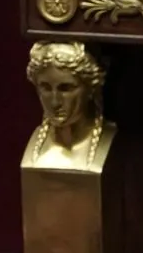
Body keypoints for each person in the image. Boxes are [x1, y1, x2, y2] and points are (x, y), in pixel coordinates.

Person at [23, 41, 114, 171]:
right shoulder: (36, 148)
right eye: (46, 88)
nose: (55, 102)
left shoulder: (110, 140)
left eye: (66, 89)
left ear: (91, 89)